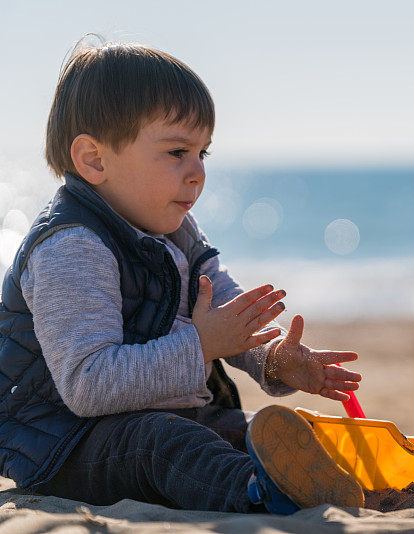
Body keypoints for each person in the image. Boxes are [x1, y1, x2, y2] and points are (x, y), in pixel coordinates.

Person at [0, 38, 364, 515]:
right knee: (162, 444)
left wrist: (274, 359)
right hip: (67, 441)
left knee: (258, 427)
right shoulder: (71, 246)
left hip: (169, 413)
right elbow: (88, 385)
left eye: (203, 154)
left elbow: (229, 315)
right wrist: (201, 345)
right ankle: (260, 492)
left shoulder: (178, 231)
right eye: (177, 152)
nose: (197, 174)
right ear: (94, 159)